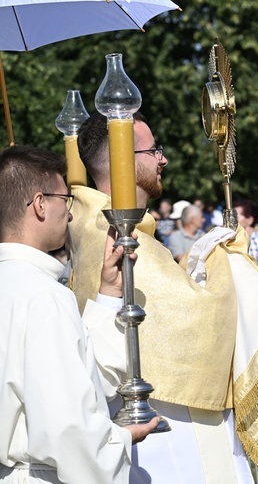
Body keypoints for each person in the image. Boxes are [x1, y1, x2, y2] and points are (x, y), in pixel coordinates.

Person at [71, 112, 258, 481]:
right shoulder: (113, 232)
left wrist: (202, 253)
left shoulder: (89, 223)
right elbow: (198, 320)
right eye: (154, 149)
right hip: (171, 426)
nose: (163, 159)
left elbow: (167, 299)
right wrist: (225, 259)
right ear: (122, 159)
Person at [0, 145, 158, 483]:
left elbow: (73, 381)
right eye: (65, 199)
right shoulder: (43, 296)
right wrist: (124, 437)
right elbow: (68, 428)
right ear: (40, 204)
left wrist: (109, 294)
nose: (70, 214)